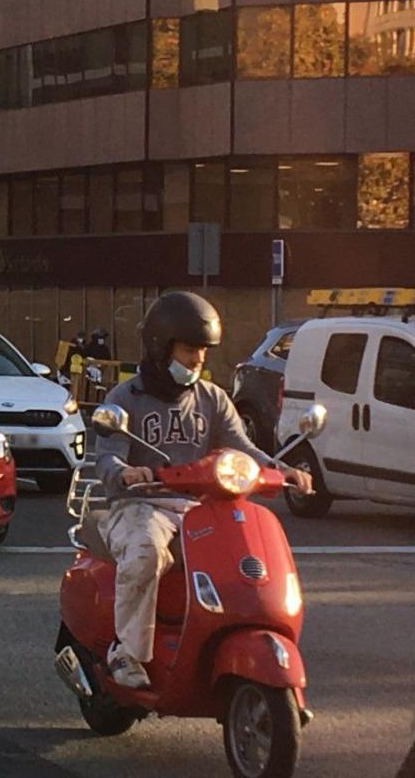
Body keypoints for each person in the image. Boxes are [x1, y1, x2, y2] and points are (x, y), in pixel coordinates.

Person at [94, 291, 311, 689]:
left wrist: (285, 470)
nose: (198, 359)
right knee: (144, 551)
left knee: (246, 557)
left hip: (199, 507)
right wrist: (126, 473)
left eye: (203, 350)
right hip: (142, 506)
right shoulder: (125, 398)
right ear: (161, 346)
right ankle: (125, 652)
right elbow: (107, 457)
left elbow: (242, 448)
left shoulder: (212, 398)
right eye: (190, 348)